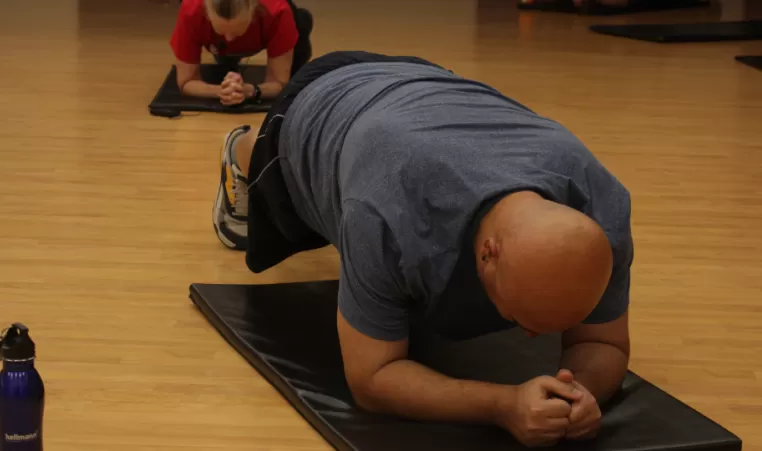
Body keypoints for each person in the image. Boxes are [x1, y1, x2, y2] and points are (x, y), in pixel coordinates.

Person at [212, 51, 634, 447]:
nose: (529, 338)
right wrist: (502, 405)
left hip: (434, 87)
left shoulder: (603, 207)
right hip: (322, 98)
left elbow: (607, 344)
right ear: (488, 253)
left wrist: (580, 393)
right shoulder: (385, 212)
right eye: (520, 318)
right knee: (283, 207)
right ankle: (242, 147)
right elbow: (371, 379)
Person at [169, 0, 313, 106]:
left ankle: (301, 23)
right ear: (206, 13)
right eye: (221, 31)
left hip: (275, 27)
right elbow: (185, 82)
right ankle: (226, 56)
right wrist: (221, 91)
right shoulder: (191, 10)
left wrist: (250, 90)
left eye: (237, 31)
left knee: (294, 84)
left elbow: (279, 83)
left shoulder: (277, 11)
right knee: (224, 59)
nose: (229, 38)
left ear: (255, 10)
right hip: (219, 46)